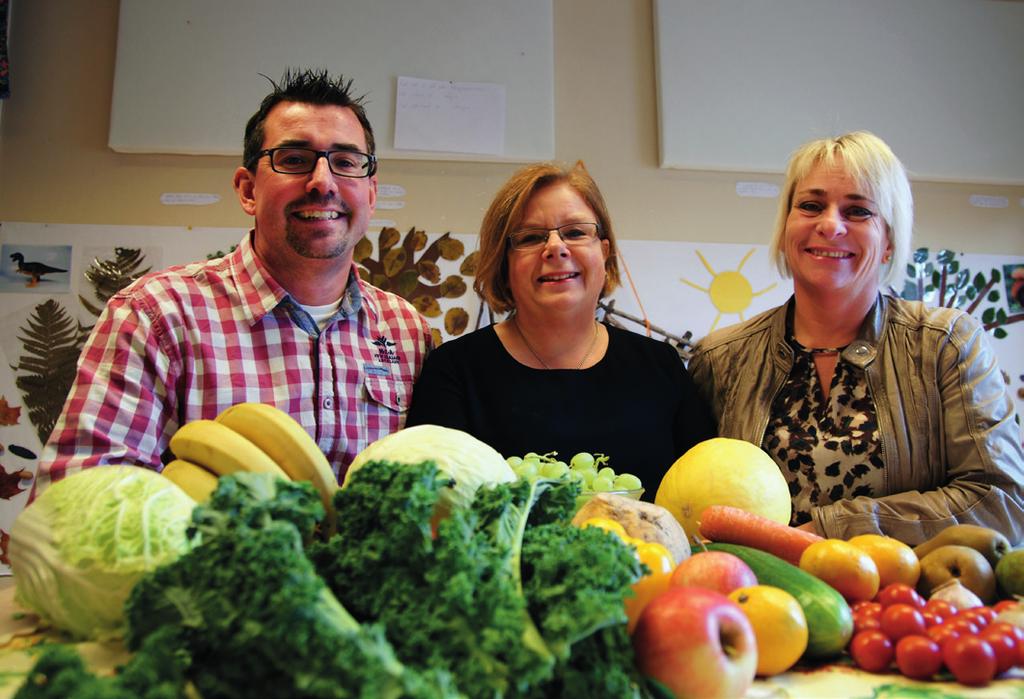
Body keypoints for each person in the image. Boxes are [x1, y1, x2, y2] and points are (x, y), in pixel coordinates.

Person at [37, 69, 432, 492]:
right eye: (294, 159)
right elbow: (77, 498)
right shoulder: (156, 317)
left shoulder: (407, 332)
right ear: (247, 190)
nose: (322, 182)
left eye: (346, 162)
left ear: (371, 194)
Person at [688, 131, 1024, 545]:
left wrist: (833, 530)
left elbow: (1001, 502)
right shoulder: (720, 359)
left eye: (858, 211)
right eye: (810, 206)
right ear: (785, 229)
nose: (830, 224)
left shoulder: (946, 345)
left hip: (912, 604)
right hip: (753, 601)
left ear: (889, 242)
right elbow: (690, 504)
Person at [405, 162, 714, 499]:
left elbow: (703, 495)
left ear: (605, 253)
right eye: (531, 237)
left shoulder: (661, 368)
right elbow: (433, 504)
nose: (556, 247)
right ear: (504, 263)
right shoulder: (454, 371)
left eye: (576, 232)